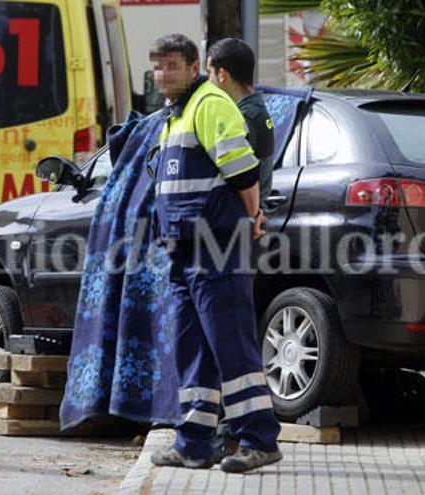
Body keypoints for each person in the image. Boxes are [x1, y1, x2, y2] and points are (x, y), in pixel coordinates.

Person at [147, 33, 281, 473]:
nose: (162, 74)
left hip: (216, 244)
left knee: (231, 344)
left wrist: (253, 216)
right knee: (193, 348)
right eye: (157, 66)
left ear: (195, 67)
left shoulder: (209, 104)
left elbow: (243, 171)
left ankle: (259, 439)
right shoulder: (176, 115)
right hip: (182, 248)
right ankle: (194, 443)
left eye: (171, 66)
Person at [206, 38, 275, 213]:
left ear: (222, 75)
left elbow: (235, 175)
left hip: (242, 219)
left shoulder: (243, 118)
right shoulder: (257, 112)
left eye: (210, 73)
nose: (208, 82)